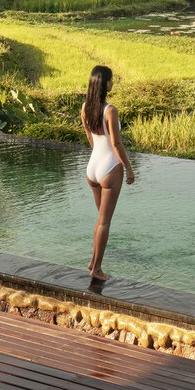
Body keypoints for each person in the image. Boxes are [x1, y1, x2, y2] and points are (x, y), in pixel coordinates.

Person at [79, 64, 134, 282]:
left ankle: (92, 261)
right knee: (104, 222)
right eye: (111, 80)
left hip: (92, 168)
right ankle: (97, 269)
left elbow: (90, 137)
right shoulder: (110, 110)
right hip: (109, 168)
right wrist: (128, 168)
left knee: (100, 220)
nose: (113, 83)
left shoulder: (85, 107)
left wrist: (98, 157)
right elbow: (116, 143)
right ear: (105, 84)